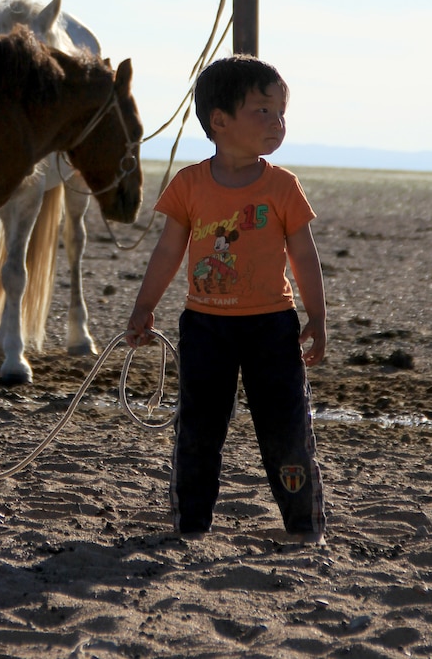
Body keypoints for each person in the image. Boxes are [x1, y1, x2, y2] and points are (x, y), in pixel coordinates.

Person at [126, 55, 326, 543]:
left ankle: (303, 524)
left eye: (281, 112)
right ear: (220, 121)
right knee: (199, 429)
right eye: (263, 110)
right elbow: (168, 249)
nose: (277, 122)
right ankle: (191, 523)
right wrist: (143, 305)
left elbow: (303, 254)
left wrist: (317, 316)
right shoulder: (189, 185)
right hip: (205, 327)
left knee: (285, 429)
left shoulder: (282, 186)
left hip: (273, 327)